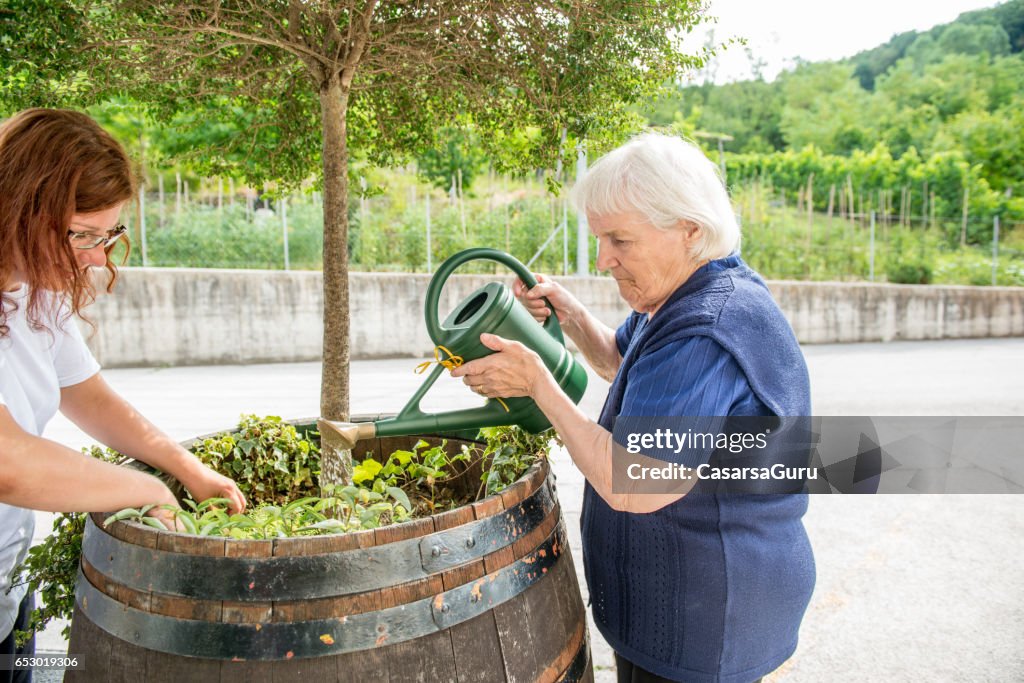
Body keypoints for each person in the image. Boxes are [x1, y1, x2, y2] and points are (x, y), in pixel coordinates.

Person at [452, 133, 814, 683]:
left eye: (620, 239)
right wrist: (570, 315)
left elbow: (634, 482)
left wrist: (537, 385)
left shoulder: (705, 332)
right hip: (683, 608)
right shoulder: (682, 292)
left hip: (705, 622)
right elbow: (622, 359)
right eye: (599, 239)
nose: (602, 260)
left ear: (689, 229)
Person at [0, 108, 246, 682]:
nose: (96, 257)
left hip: (8, 596)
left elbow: (86, 394)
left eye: (107, 235)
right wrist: (142, 486)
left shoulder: (31, 290)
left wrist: (185, 466)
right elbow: (8, 461)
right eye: (81, 235)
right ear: (16, 206)